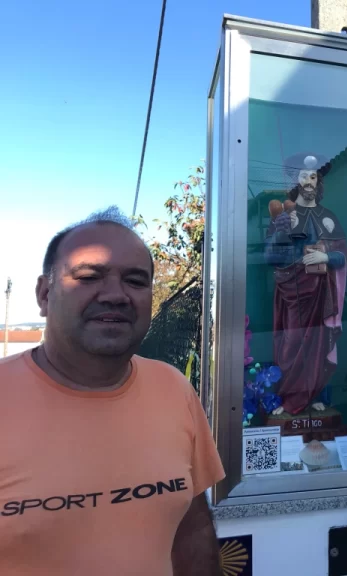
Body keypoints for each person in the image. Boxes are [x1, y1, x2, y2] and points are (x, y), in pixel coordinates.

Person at [0, 207, 225, 576]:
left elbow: (192, 526)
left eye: (136, 281)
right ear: (44, 294)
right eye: (89, 276)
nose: (116, 295)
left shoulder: (173, 389)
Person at [264, 153, 347, 416]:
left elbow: (343, 256)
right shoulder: (284, 215)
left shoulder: (329, 217)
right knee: (290, 343)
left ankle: (315, 396)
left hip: (321, 295)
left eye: (313, 177)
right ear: (296, 182)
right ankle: (289, 398)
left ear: (319, 182)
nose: (309, 182)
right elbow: (269, 257)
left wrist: (326, 256)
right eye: (304, 176)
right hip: (292, 291)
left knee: (319, 346)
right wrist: (280, 231)